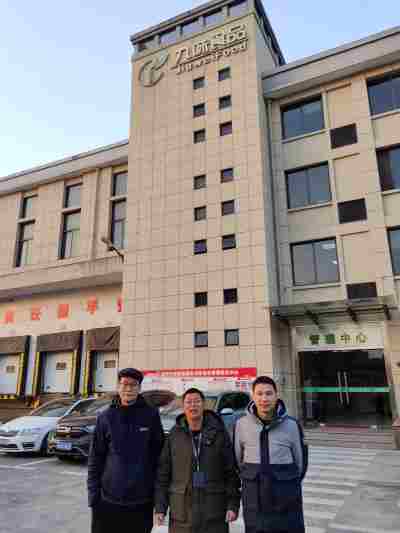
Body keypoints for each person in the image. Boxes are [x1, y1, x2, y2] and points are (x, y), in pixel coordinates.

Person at [87, 367, 164, 533]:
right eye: (124, 384)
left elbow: (159, 459)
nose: (128, 389)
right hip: (108, 501)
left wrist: (158, 502)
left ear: (139, 388)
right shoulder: (105, 417)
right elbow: (95, 459)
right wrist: (93, 497)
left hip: (141, 502)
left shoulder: (151, 415)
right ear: (118, 386)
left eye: (133, 385)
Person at [154, 387, 241, 533]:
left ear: (204, 404)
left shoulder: (219, 433)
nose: (193, 405)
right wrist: (160, 507)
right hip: (181, 513)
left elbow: (230, 472)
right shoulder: (175, 435)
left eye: (197, 401)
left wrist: (233, 505)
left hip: (214, 511)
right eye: (189, 402)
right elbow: (163, 473)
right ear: (183, 407)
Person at [234, 376, 308, 533]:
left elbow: (300, 464)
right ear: (253, 396)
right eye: (259, 394)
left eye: (269, 393)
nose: (264, 399)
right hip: (255, 503)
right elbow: (238, 462)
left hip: (286, 502)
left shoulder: (291, 425)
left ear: (276, 395)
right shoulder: (241, 425)